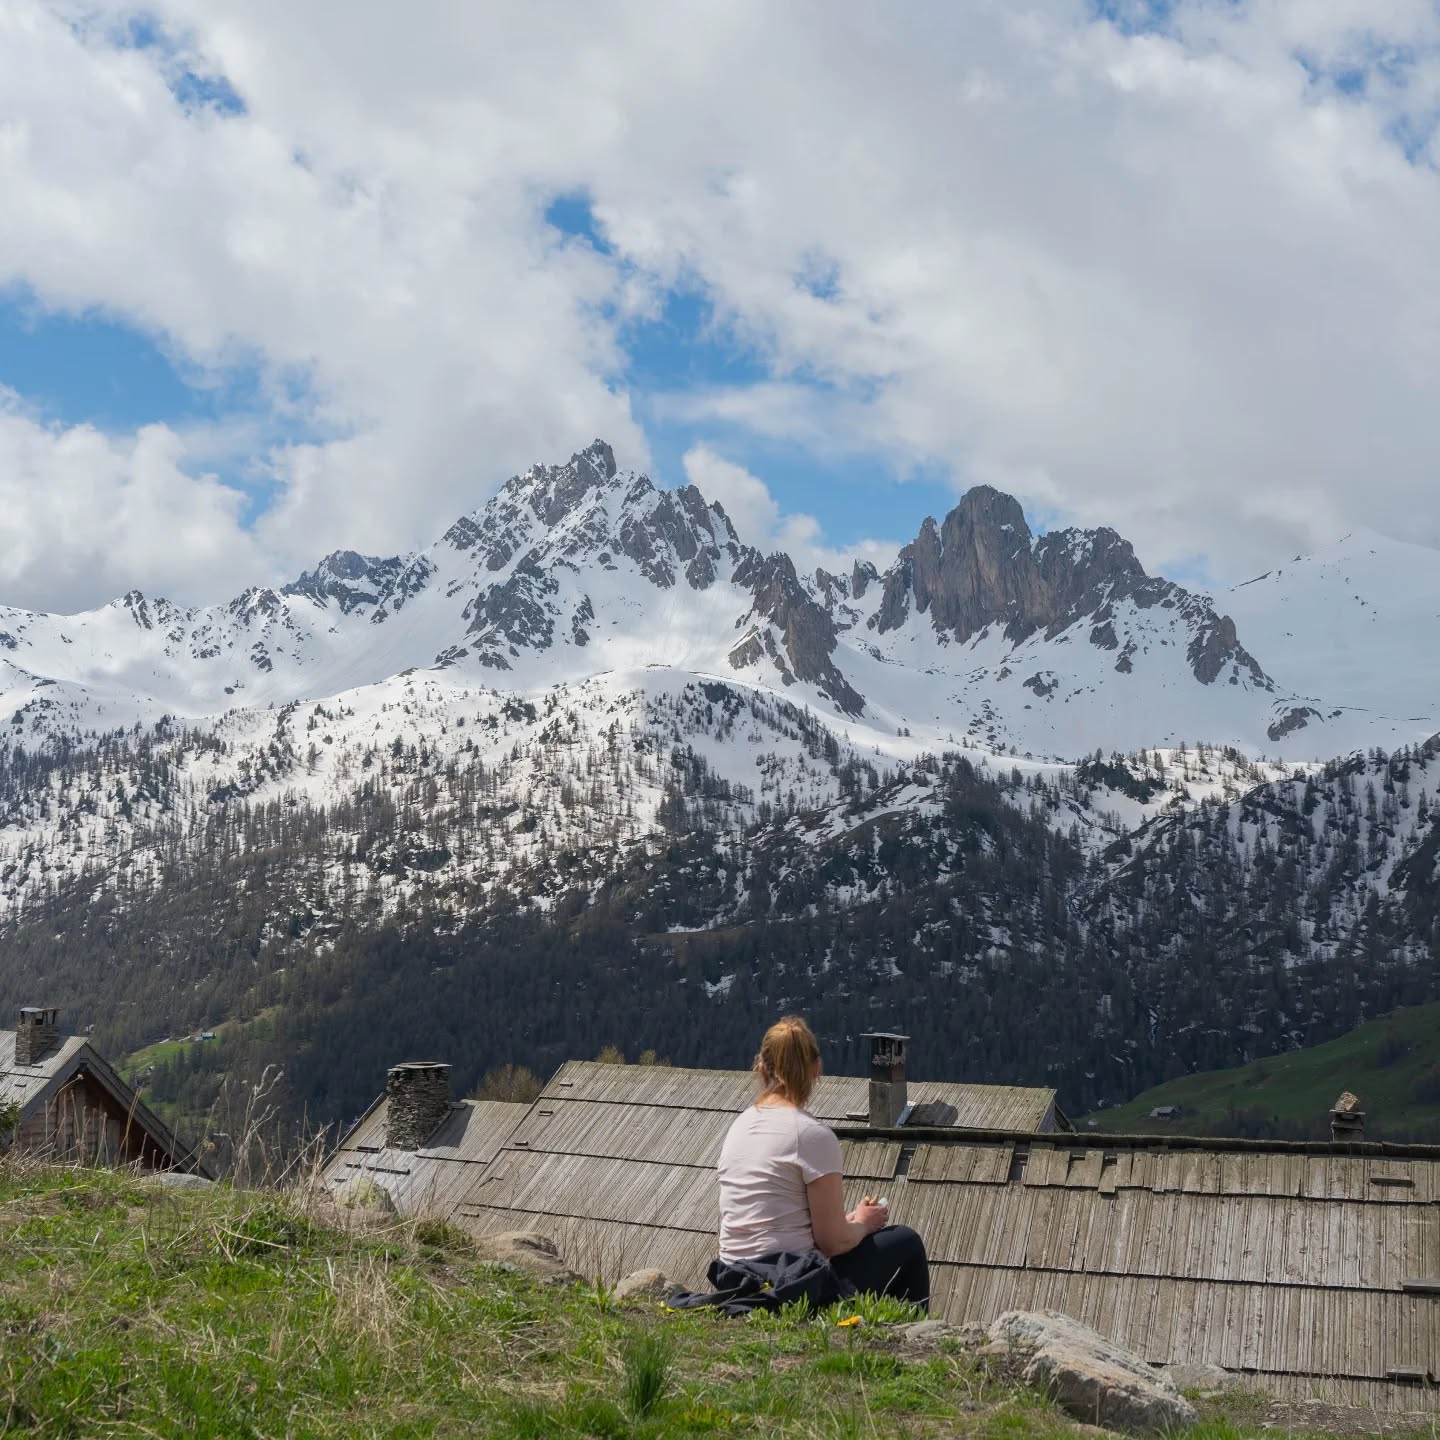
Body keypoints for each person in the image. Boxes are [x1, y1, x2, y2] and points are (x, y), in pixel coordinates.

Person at [715, 1015, 930, 1309]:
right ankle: (910, 1331)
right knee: (906, 1242)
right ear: (816, 1068)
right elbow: (831, 1242)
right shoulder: (811, 1135)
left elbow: (779, 1225)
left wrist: (850, 1220)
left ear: (762, 1067)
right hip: (787, 1285)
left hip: (735, 1279)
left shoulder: (738, 1127)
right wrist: (864, 1224)